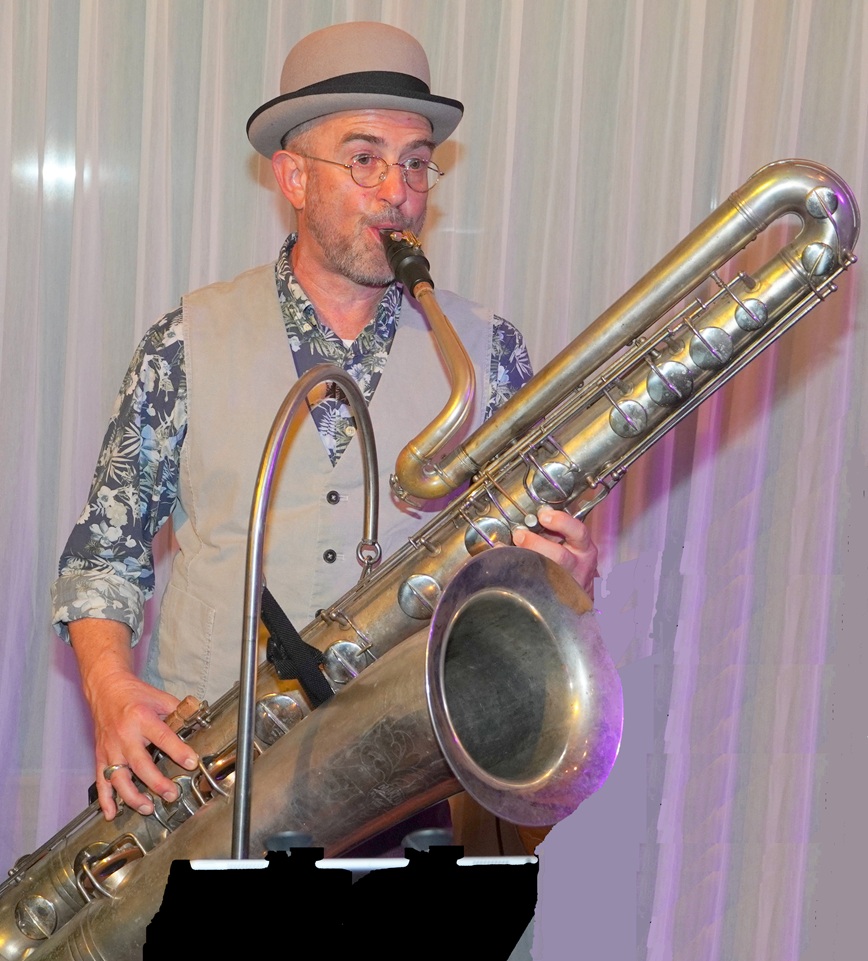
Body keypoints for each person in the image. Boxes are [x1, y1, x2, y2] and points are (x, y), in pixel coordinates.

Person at [51, 22, 598, 830]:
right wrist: (108, 689)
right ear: (294, 177)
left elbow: (531, 578)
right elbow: (104, 555)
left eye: (416, 163)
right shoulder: (184, 343)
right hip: (204, 795)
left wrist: (563, 578)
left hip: (413, 789)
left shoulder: (490, 352)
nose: (398, 191)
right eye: (365, 158)